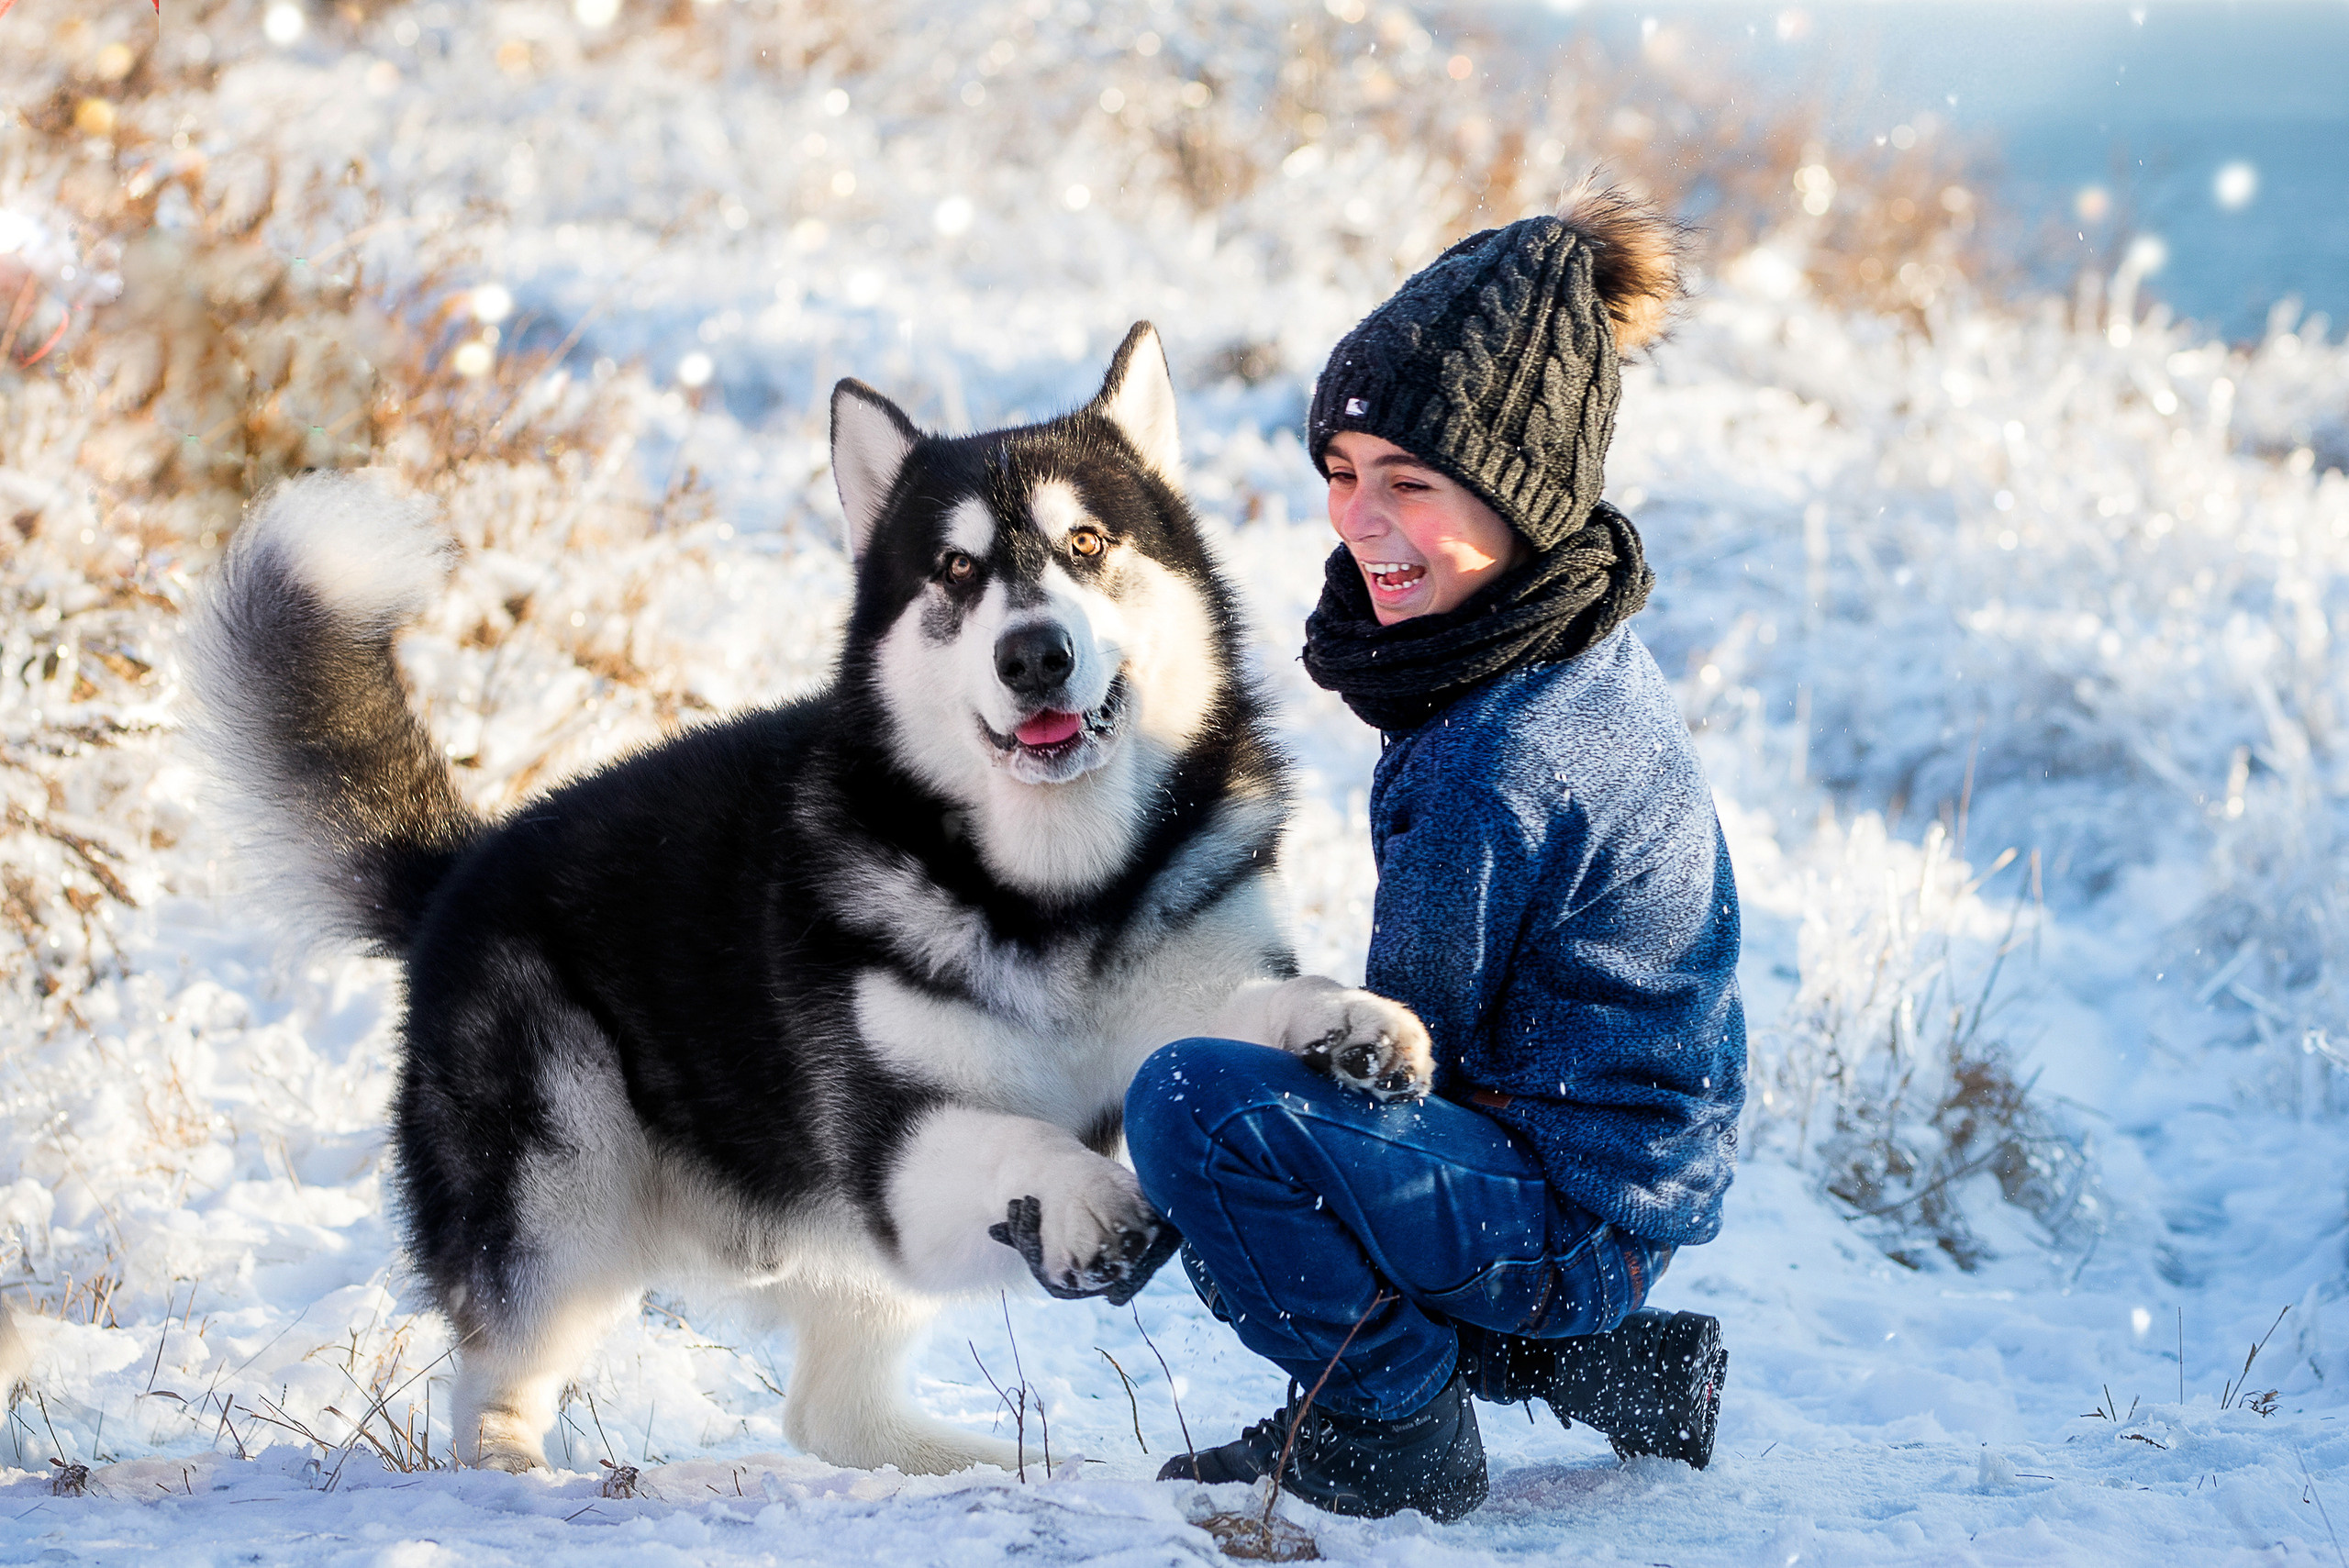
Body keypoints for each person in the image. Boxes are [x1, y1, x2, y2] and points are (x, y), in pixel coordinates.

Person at [1124, 190, 1747, 1522]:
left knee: (1193, 1105)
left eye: (1411, 482)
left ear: (1526, 495)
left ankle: (1389, 1422)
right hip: (1616, 1180)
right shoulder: (1567, 641)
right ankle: (1615, 1364)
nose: (1360, 520)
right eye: (1343, 472)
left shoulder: (1495, 752)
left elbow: (1405, 1061)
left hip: (1574, 1206)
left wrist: (1168, 1179)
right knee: (1269, 1100)